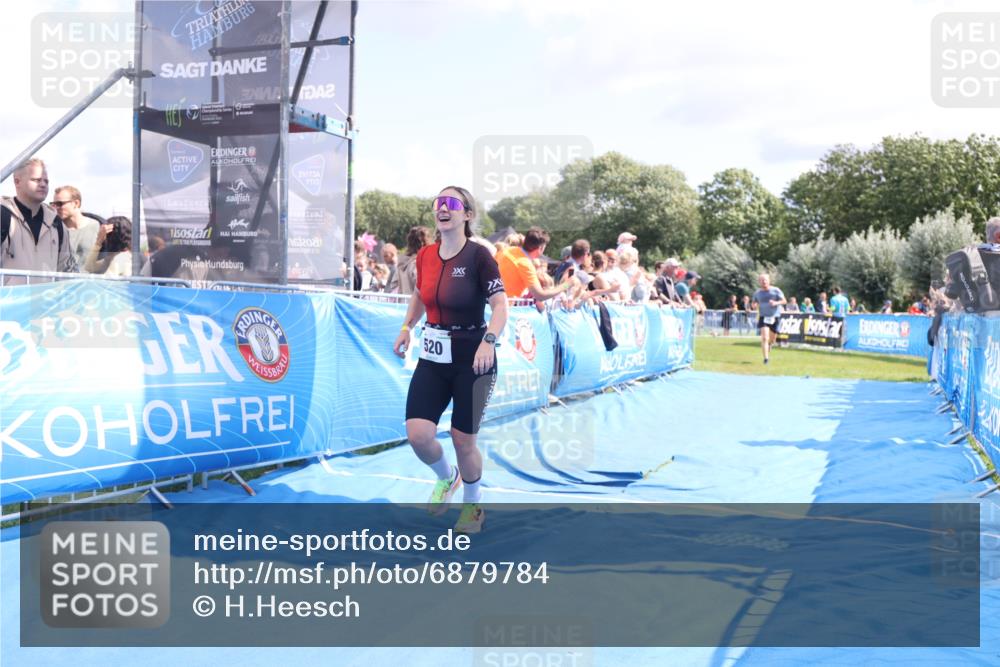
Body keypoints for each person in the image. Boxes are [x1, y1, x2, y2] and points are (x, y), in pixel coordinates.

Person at [392, 186, 507, 534]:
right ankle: (448, 477)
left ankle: (473, 507)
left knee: (462, 439)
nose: (443, 208)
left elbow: (501, 305)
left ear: (467, 215)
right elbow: (418, 294)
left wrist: (489, 340)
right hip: (434, 354)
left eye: (452, 203)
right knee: (418, 435)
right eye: (438, 203)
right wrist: (407, 326)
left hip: (474, 356)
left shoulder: (479, 256)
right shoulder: (425, 256)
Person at [0, 157, 77, 278]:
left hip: (47, 296)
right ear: (17, 181)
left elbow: (68, 272)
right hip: (9, 296)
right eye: (36, 180)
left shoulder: (57, 224)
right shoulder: (3, 216)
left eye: (46, 181)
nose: (42, 184)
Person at [495, 226, 572, 303]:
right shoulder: (525, 264)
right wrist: (567, 285)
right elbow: (540, 295)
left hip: (489, 303)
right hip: (504, 308)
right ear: (541, 248)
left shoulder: (505, 250)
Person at [50, 185, 100, 270]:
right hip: (63, 282)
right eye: (53, 204)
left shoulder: (97, 226)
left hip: (91, 282)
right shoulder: (54, 230)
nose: (56, 208)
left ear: (76, 203)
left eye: (60, 204)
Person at [752, 273, 786, 364]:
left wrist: (775, 303)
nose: (764, 282)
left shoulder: (776, 290)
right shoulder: (757, 293)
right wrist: (754, 305)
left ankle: (770, 344)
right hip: (763, 317)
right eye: (762, 280)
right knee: (764, 338)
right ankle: (766, 359)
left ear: (769, 281)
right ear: (759, 282)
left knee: (772, 339)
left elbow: (784, 301)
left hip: (775, 317)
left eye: (765, 280)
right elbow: (754, 303)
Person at [397, 226, 432, 295]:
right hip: (417, 304)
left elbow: (394, 284)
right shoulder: (419, 263)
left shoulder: (403, 263)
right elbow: (422, 288)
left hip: (404, 303)